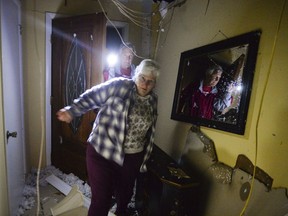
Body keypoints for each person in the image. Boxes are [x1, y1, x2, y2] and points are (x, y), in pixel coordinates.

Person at [57, 59, 160, 216]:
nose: (145, 84)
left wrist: (144, 158)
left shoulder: (153, 100)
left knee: (124, 198)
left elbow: (150, 131)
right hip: (102, 152)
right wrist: (72, 111)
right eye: (142, 78)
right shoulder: (119, 86)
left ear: (155, 84)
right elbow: (93, 96)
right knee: (101, 201)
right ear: (136, 75)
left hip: (131, 158)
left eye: (150, 82)